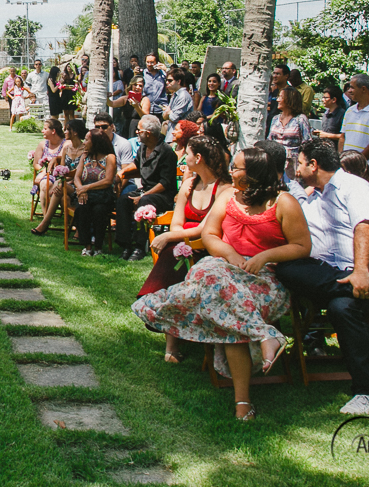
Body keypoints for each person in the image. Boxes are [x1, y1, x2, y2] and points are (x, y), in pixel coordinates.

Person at [132, 147, 310, 420]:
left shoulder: (283, 203)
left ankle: (244, 398)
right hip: (226, 269)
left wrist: (264, 256)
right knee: (211, 271)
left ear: (254, 174)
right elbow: (210, 234)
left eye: (237, 168)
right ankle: (263, 340)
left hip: (264, 278)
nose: (231, 173)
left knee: (223, 300)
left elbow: (301, 246)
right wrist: (230, 254)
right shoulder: (228, 196)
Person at [276, 140, 369, 416]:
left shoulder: (354, 187)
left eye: (300, 163)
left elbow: (364, 229)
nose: (297, 169)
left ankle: (368, 391)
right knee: (285, 269)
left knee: (341, 307)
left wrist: (360, 272)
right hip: (327, 272)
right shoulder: (316, 196)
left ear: (314, 165)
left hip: (364, 270)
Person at [138, 135, 234, 367]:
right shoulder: (188, 186)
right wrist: (176, 238)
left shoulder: (225, 189)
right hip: (182, 244)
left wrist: (171, 237)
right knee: (173, 254)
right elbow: (177, 223)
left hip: (208, 248)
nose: (184, 160)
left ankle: (158, 308)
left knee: (172, 254)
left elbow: (206, 228)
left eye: (187, 155)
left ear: (198, 158)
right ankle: (171, 343)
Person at [116, 116, 177, 261]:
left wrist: (143, 196)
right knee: (123, 200)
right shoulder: (143, 147)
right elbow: (136, 165)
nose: (136, 132)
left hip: (162, 195)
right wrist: (121, 172)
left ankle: (140, 246)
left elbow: (165, 183)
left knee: (145, 203)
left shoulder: (167, 152)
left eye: (139, 130)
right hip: (145, 190)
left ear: (148, 133)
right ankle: (125, 245)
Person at [33, 118, 86, 235]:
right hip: (65, 184)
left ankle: (45, 223)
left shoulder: (85, 150)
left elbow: (80, 172)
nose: (65, 132)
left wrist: (63, 181)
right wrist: (62, 180)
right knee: (64, 198)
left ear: (75, 132)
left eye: (68, 130)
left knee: (59, 185)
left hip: (79, 185)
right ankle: (77, 228)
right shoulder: (66, 148)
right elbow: (61, 170)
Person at [73, 128, 117, 256]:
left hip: (102, 195)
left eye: (87, 139)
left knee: (99, 211)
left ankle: (98, 246)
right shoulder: (85, 156)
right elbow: (77, 177)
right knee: (82, 209)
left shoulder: (110, 157)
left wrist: (86, 188)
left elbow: (108, 180)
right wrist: (81, 190)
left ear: (96, 142)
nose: (84, 142)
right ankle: (87, 246)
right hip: (85, 194)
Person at [30, 117, 66, 234]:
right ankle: (46, 219)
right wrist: (44, 170)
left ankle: (46, 221)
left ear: (53, 131)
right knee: (45, 184)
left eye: (45, 129)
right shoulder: (42, 144)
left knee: (52, 184)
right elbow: (36, 164)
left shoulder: (65, 144)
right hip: (46, 174)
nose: (42, 131)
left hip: (62, 175)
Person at [267, 85, 312, 178]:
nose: (278, 100)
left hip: (293, 165)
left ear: (290, 100)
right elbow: (269, 140)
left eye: (281, 97)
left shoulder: (300, 119)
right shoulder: (275, 118)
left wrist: (301, 165)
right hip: (275, 163)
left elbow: (307, 144)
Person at [162, 67, 193, 134]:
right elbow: (164, 116)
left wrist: (169, 112)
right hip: (171, 132)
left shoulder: (183, 96)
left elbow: (174, 118)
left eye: (170, 80)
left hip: (180, 135)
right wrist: (168, 112)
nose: (167, 82)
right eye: (166, 80)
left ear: (179, 81)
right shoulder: (175, 94)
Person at [141, 53, 169, 118]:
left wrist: (166, 70)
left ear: (157, 62)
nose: (149, 65)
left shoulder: (163, 74)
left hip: (161, 108)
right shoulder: (143, 74)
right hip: (147, 109)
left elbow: (174, 80)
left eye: (152, 62)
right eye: (147, 62)